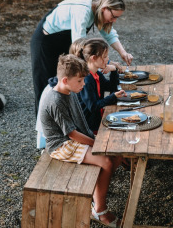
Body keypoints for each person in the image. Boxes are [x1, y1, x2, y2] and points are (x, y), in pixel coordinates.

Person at [37, 54, 122, 227]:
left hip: (72, 138)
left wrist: (95, 140)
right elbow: (72, 135)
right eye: (81, 81)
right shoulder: (55, 101)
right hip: (60, 145)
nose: (83, 85)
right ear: (66, 80)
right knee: (106, 161)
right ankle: (100, 210)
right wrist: (96, 143)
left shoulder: (69, 90)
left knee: (117, 154)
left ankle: (98, 194)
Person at [30, 0, 133, 115]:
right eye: (114, 16)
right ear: (105, 8)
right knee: (46, 85)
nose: (114, 20)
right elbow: (81, 48)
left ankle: (65, 119)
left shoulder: (97, 7)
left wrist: (123, 52)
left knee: (66, 81)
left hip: (64, 40)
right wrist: (106, 62)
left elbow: (108, 33)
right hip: (46, 43)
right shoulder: (82, 12)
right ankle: (44, 124)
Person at [72, 38, 127, 132]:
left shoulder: (96, 73)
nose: (108, 59)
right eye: (105, 56)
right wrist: (113, 96)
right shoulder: (87, 79)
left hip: (98, 119)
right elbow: (93, 107)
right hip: (90, 127)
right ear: (93, 58)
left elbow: (111, 87)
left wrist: (113, 71)